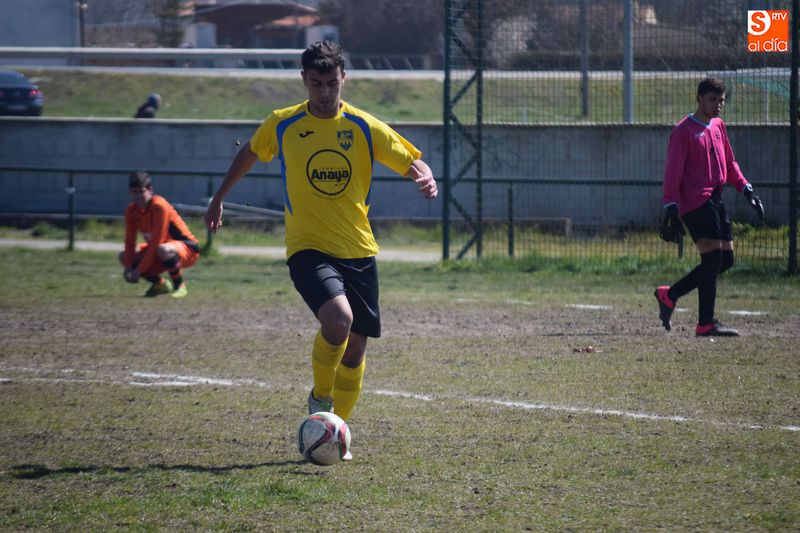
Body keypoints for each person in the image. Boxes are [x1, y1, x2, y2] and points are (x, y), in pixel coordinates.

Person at [204, 41, 438, 457]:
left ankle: (336, 432)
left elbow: (411, 160)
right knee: (338, 320)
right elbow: (251, 151)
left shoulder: (364, 126)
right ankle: (320, 399)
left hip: (358, 249)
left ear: (344, 78)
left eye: (332, 83)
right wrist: (219, 197)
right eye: (316, 84)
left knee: (356, 350)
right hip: (308, 248)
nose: (325, 92)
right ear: (304, 81)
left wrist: (426, 177)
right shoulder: (284, 124)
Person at [654, 77, 764, 337]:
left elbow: (730, 163)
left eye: (721, 100)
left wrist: (746, 188)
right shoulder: (684, 131)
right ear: (699, 99)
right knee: (713, 260)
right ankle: (705, 323)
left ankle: (670, 295)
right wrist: (670, 206)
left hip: (715, 200)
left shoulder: (718, 125)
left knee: (725, 260)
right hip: (696, 203)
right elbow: (672, 171)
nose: (718, 105)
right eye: (713, 99)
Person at [120, 171, 200, 298]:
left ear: (150, 190)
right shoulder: (131, 211)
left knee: (163, 249)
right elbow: (130, 241)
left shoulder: (159, 206)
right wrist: (128, 266)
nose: (138, 196)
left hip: (187, 249)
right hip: (159, 251)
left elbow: (157, 241)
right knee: (124, 256)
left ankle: (179, 286)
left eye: (141, 192)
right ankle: (160, 284)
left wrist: (139, 270)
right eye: (134, 192)